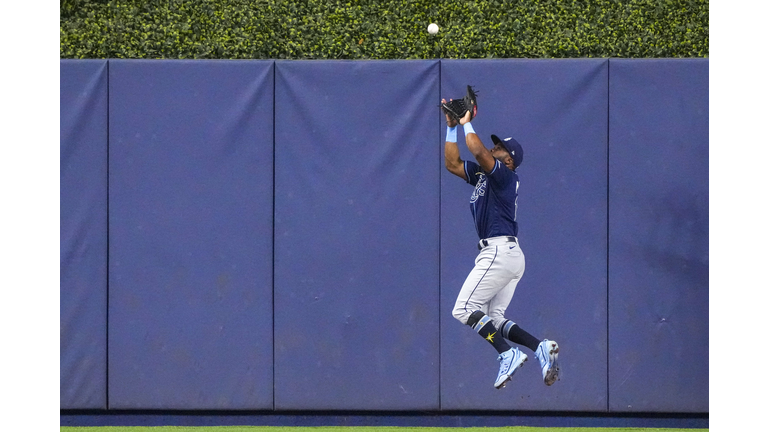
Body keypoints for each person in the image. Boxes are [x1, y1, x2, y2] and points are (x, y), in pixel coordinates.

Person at [442, 100, 560, 389]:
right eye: (495, 146)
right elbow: (452, 163)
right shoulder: (486, 177)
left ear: (508, 161)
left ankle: (507, 353)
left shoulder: (505, 176)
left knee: (463, 309)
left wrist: (467, 121)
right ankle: (539, 347)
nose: (494, 148)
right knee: (493, 317)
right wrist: (451, 128)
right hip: (508, 254)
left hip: (497, 250)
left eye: (500, 149)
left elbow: (478, 150)